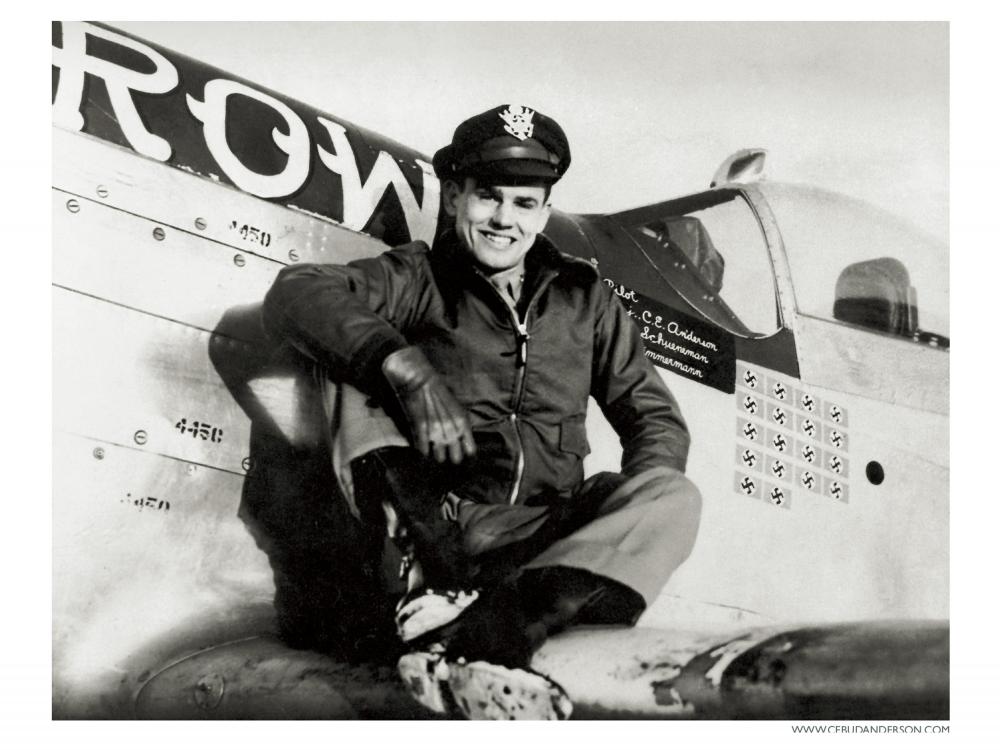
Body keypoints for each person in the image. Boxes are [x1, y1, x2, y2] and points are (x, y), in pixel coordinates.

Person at [262, 104, 702, 720]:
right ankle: (446, 596)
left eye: (525, 203)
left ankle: (503, 626)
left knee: (673, 495)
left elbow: (653, 418)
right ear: (454, 198)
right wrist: (406, 370)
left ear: (545, 210)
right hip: (432, 524)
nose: (504, 220)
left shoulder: (585, 299)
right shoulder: (419, 276)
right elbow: (299, 292)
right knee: (345, 364)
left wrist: (618, 518)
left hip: (533, 539)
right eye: (487, 197)